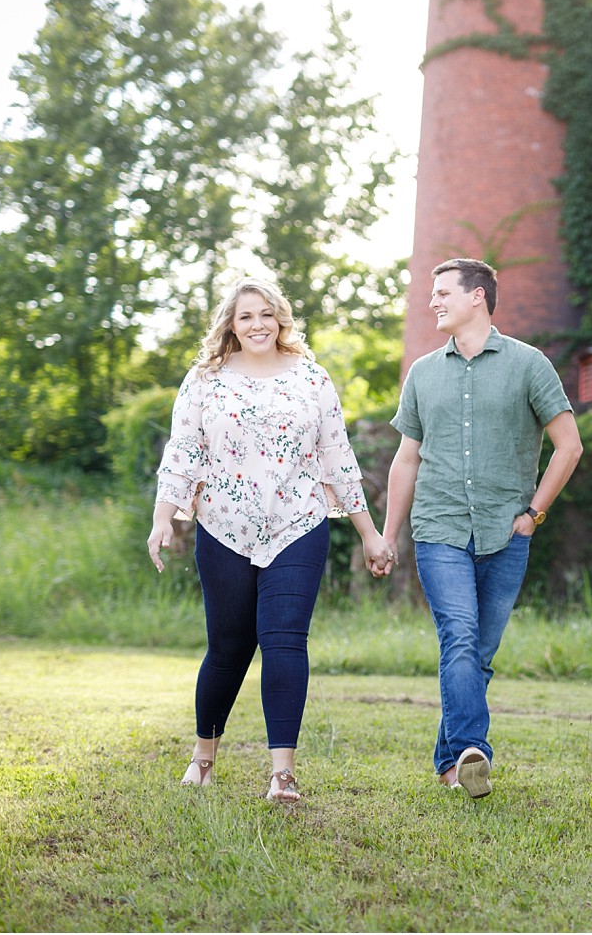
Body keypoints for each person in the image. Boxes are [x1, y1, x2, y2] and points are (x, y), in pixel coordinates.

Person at [146, 277, 391, 802]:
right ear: (230, 326)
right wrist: (163, 518)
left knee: (284, 640)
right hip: (223, 526)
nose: (256, 325)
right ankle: (203, 757)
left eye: (265, 314)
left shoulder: (311, 378)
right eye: (244, 317)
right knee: (229, 647)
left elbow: (337, 458)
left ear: (281, 318)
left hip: (298, 525)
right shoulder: (205, 379)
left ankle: (283, 773)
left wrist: (369, 533)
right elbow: (183, 451)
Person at [383, 258, 583, 799]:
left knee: (478, 656)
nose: (433, 302)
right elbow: (406, 460)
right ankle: (475, 751)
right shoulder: (423, 372)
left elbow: (570, 445)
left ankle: (450, 763)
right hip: (439, 527)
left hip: (506, 532)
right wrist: (387, 534)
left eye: (443, 292)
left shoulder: (529, 365)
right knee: (461, 639)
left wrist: (534, 515)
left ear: (477, 296)